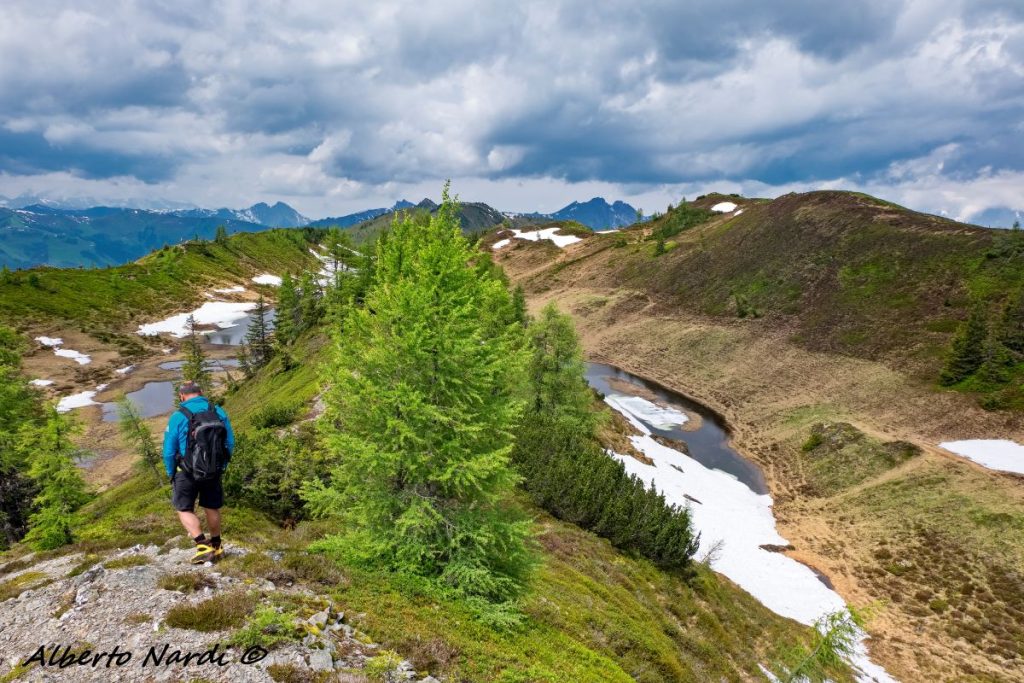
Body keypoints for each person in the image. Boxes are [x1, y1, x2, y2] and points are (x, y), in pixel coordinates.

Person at [162, 381, 235, 564]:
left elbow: (169, 451)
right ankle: (217, 546)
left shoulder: (178, 416)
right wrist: (221, 465)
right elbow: (230, 443)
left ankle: (202, 546)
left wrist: (171, 472)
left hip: (186, 472)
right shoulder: (218, 411)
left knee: (184, 508)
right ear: (201, 393)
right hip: (213, 470)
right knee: (211, 506)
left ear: (182, 396)